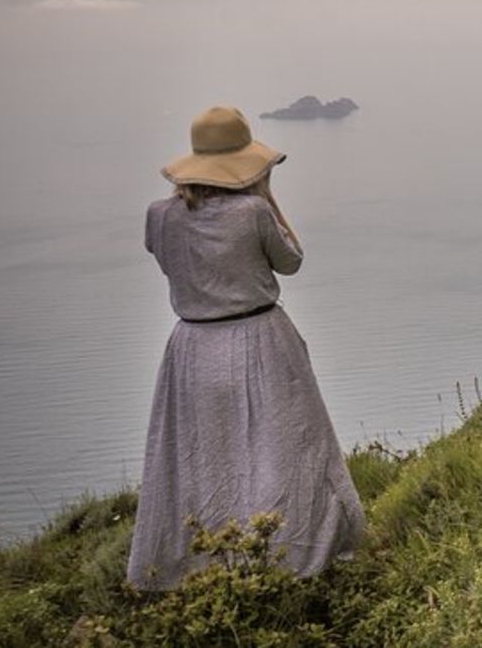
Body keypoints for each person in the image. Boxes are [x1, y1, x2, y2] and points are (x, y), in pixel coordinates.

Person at [127, 105, 365, 591]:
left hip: (191, 348)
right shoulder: (254, 212)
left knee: (203, 456)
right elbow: (292, 261)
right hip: (258, 340)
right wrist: (267, 195)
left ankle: (198, 564)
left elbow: (165, 256)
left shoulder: (159, 215)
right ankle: (289, 558)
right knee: (288, 450)